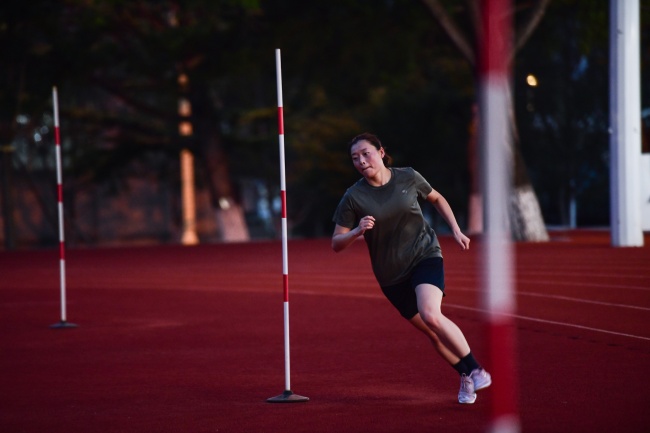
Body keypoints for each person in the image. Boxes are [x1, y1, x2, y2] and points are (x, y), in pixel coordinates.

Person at [331, 132, 491, 404]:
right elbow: (336, 242)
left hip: (424, 254)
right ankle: (465, 374)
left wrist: (455, 229)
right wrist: (357, 231)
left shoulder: (408, 177)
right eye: (355, 158)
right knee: (432, 331)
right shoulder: (353, 197)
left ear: (381, 152)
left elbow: (437, 198)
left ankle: (476, 368)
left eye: (366, 153)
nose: (360, 161)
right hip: (391, 275)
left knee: (431, 314)